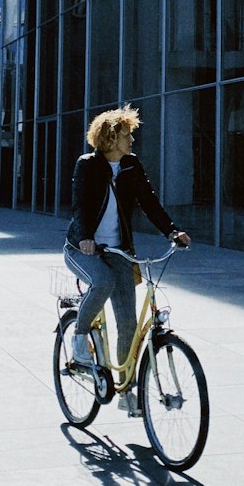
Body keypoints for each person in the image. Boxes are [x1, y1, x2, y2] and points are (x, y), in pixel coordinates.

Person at [64, 105, 190, 416]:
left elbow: (149, 202)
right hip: (82, 249)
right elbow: (80, 207)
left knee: (129, 325)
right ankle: (80, 340)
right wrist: (85, 238)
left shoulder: (132, 166)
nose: (131, 139)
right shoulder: (87, 165)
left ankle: (126, 391)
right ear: (110, 138)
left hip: (119, 250)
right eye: (126, 134)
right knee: (102, 282)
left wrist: (172, 232)